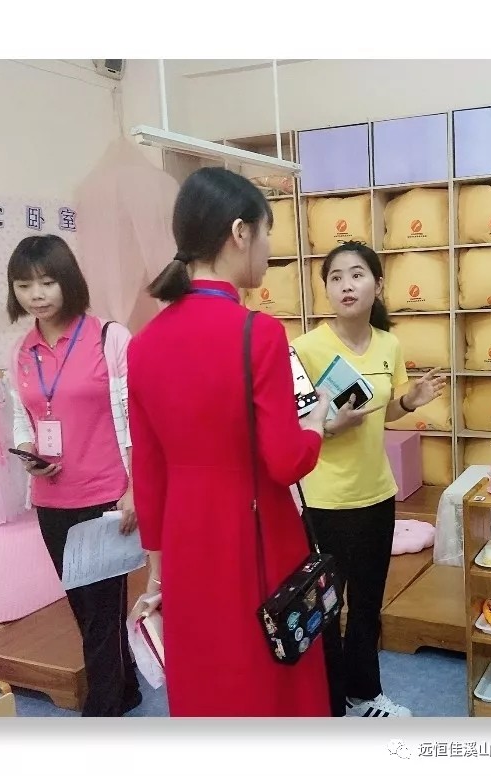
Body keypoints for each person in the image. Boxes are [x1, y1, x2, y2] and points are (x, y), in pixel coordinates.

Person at [127, 167, 332, 717]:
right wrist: (315, 425)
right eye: (267, 233)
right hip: (258, 532)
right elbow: (286, 461)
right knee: (273, 670)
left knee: (207, 675)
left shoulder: (143, 345)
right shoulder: (259, 333)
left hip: (186, 539)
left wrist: (157, 568)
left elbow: (148, 473)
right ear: (240, 232)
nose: (268, 249)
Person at [292, 240, 447, 718]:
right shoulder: (305, 348)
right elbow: (291, 424)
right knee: (325, 608)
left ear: (377, 285)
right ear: (326, 289)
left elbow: (387, 411)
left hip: (377, 493)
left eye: (356, 275)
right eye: (335, 277)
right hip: (323, 498)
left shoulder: (388, 344)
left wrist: (409, 401)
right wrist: (329, 426)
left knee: (367, 603)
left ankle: (364, 693)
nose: (346, 285)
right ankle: (329, 705)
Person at [6, 234, 141, 717]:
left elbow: (137, 418)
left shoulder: (109, 337)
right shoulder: (22, 350)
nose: (36, 295)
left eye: (47, 282)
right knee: (84, 608)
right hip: (51, 500)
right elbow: (24, 418)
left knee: (102, 613)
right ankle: (127, 688)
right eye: (24, 285)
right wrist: (27, 452)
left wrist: (136, 488)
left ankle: (101, 715)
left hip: (105, 497)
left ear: (68, 281)